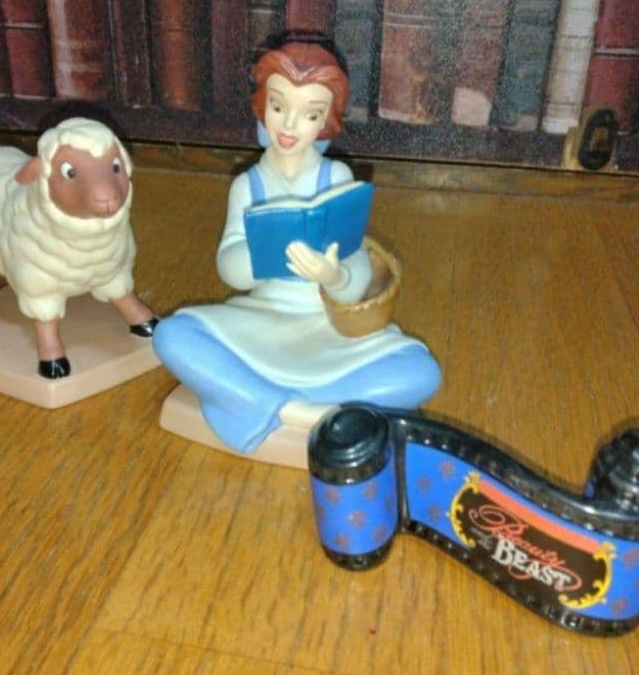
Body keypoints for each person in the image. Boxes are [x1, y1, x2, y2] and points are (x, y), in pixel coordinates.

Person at [153, 41, 441, 454]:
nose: (289, 125)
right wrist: (265, 253)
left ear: (325, 120)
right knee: (172, 335)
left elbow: (356, 263)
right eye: (278, 107)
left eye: (309, 114)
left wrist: (334, 275)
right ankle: (307, 411)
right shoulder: (247, 186)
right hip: (262, 318)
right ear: (262, 106)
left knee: (420, 371)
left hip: (324, 323)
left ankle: (258, 401)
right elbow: (229, 266)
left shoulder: (336, 177)